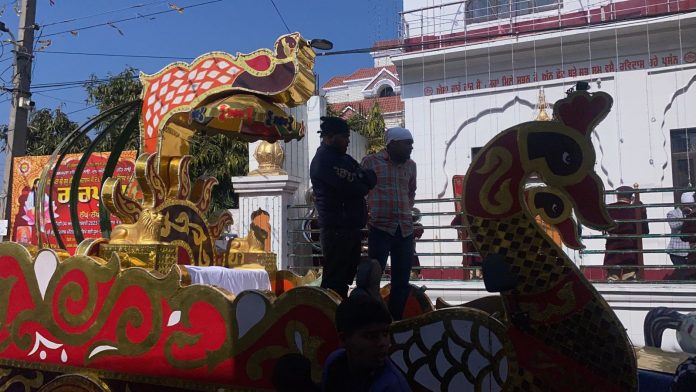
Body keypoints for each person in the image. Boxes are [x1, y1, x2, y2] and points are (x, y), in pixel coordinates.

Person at [310, 116, 377, 299]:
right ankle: (330, 319)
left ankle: (338, 318)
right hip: (336, 230)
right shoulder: (323, 160)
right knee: (334, 281)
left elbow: (370, 178)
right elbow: (356, 187)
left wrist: (362, 181)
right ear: (330, 136)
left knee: (345, 279)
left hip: (350, 229)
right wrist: (362, 181)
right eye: (345, 136)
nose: (348, 141)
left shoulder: (344, 158)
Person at [361, 127, 417, 320]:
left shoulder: (411, 165)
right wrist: (370, 213)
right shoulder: (370, 162)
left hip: (405, 231)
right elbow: (361, 189)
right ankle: (372, 319)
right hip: (380, 228)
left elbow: (411, 191)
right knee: (372, 278)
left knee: (401, 281)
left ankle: (396, 322)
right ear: (392, 144)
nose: (411, 147)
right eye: (407, 143)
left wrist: (405, 210)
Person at [321, 295, 411, 392]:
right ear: (343, 339)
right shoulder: (334, 363)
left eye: (385, 334)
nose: (383, 343)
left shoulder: (392, 386)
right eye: (371, 336)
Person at [603, 185, 649, 281]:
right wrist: (642, 210)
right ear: (631, 197)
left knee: (612, 278)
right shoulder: (635, 209)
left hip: (613, 248)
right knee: (630, 278)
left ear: (617, 196)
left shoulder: (608, 208)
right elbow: (644, 230)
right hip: (630, 249)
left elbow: (602, 226)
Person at [667, 192, 694, 268]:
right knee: (682, 274)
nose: (690, 207)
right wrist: (688, 217)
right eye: (688, 205)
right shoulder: (672, 213)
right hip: (677, 252)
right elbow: (674, 225)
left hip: (690, 250)